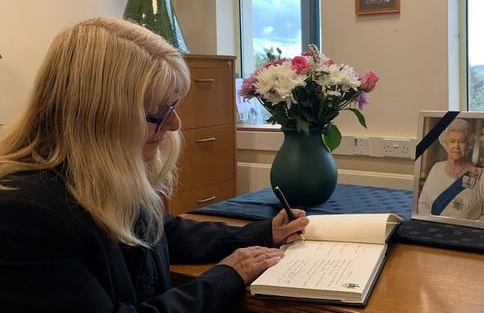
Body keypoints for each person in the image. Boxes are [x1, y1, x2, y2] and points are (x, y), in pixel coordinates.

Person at [0, 16, 309, 313]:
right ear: (99, 117)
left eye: (172, 106)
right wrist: (226, 275)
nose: (174, 124)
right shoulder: (25, 214)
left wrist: (264, 232)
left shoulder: (96, 174)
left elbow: (163, 232)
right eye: (158, 111)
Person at [417, 118, 484, 222]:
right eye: (452, 141)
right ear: (446, 144)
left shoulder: (481, 173)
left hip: (466, 234)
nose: (456, 146)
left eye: (462, 142)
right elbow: (423, 203)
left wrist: (469, 229)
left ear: (469, 145)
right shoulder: (436, 168)